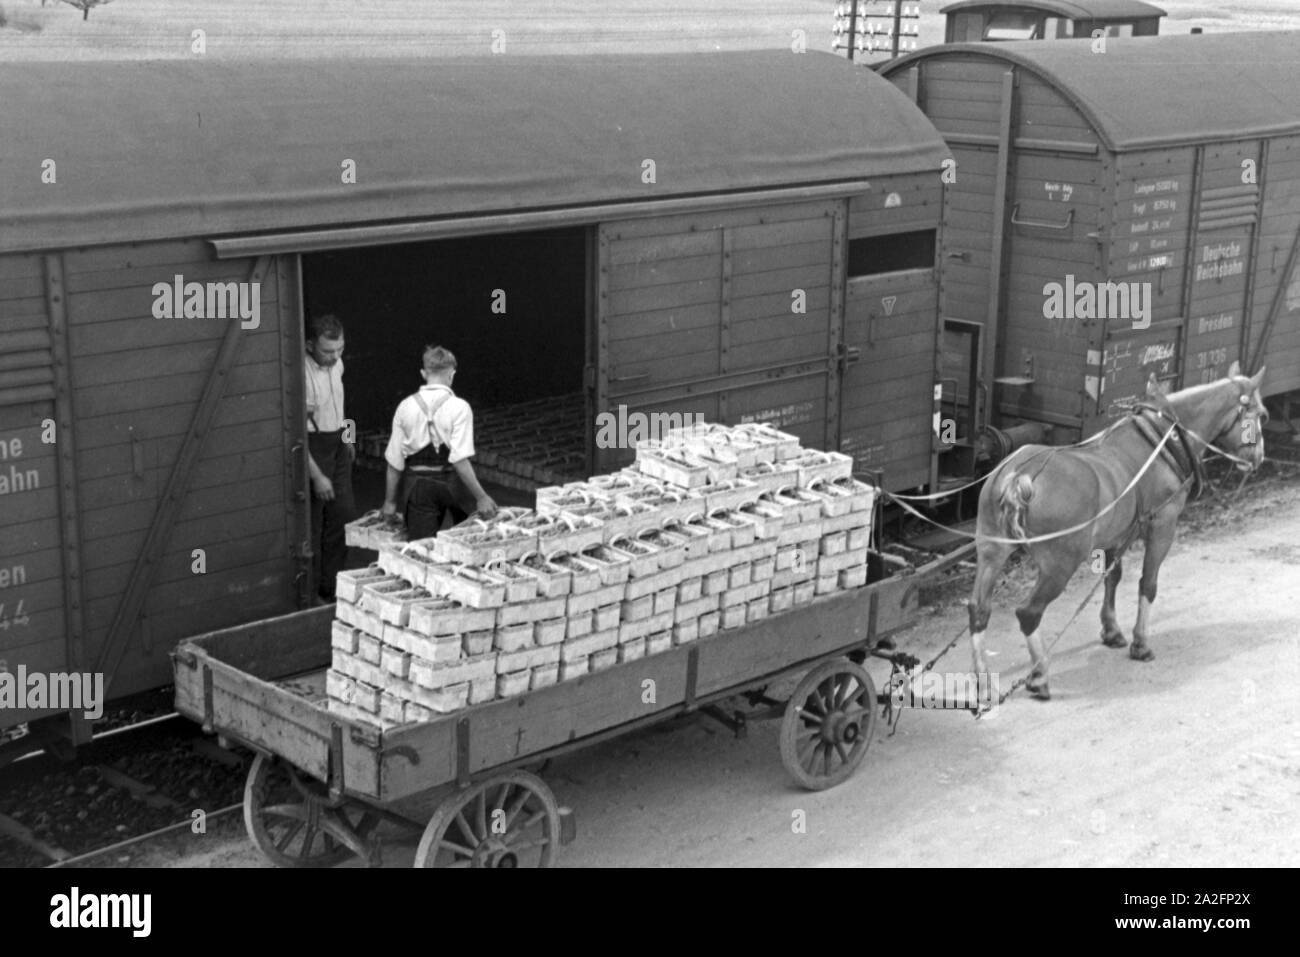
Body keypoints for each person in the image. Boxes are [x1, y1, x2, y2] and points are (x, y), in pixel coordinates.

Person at [382, 345, 498, 538]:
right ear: (452, 374)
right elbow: (460, 459)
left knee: (420, 551)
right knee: (469, 542)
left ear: (423, 373)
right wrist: (481, 497)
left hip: (418, 487)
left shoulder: (405, 406)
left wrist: (390, 502)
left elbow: (395, 461)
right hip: (453, 486)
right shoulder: (460, 407)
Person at [304, 314, 355, 601]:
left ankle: (331, 587)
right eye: (327, 351)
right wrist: (316, 475)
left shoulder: (337, 364)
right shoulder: (301, 373)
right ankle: (307, 592)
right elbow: (297, 428)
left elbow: (342, 403)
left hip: (337, 442)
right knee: (312, 523)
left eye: (340, 349)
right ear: (310, 344)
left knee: (344, 515)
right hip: (314, 447)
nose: (335, 357)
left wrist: (348, 437)